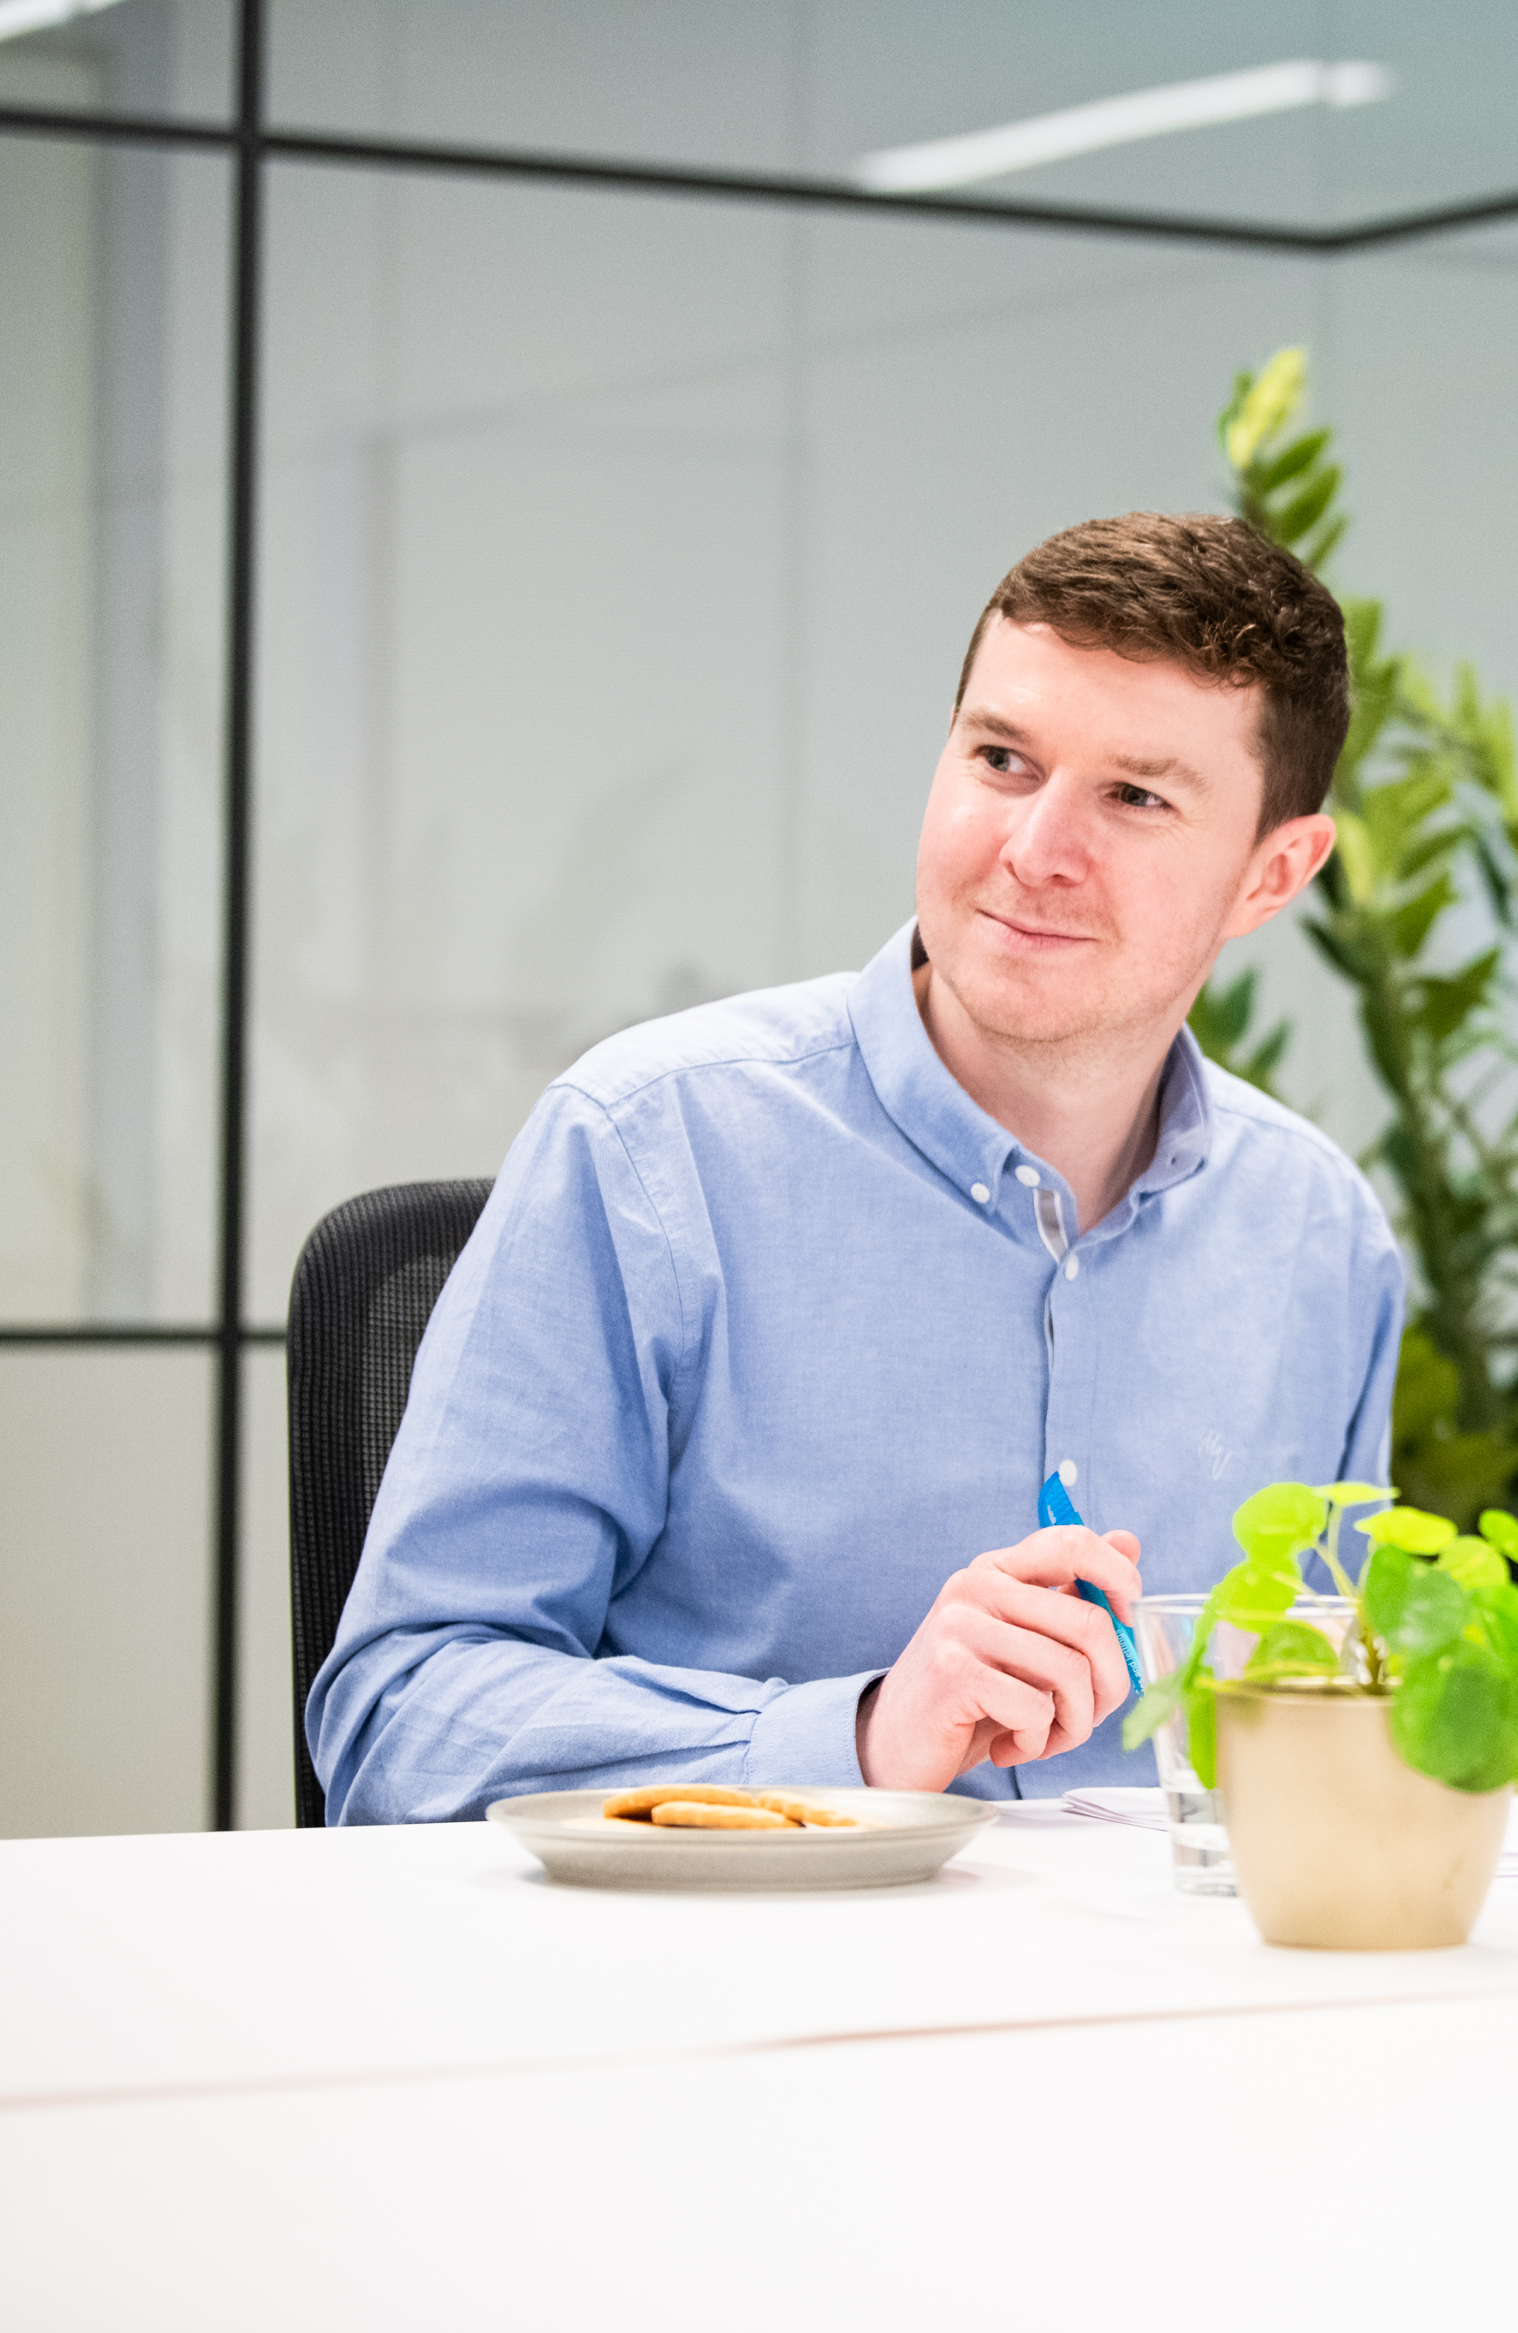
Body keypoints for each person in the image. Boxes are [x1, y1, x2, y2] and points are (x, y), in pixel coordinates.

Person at [308, 513, 1403, 1823]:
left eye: (1135, 796)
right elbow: (402, 1718)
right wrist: (863, 1737)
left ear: (1271, 874)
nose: (1035, 846)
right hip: (732, 1994)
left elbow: (1330, 1726)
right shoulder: (647, 1148)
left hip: (1164, 2006)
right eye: (1003, 758)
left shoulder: (1317, 1236)